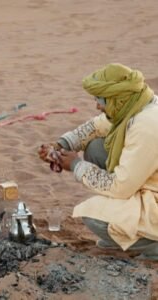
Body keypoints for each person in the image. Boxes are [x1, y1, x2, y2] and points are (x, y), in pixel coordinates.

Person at [39, 63, 158, 260]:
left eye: (100, 100)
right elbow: (95, 126)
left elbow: (120, 186)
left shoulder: (146, 126)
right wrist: (60, 146)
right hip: (147, 183)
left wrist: (76, 166)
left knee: (94, 217)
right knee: (95, 148)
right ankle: (126, 235)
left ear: (117, 99)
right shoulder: (135, 103)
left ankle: (152, 244)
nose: (97, 106)